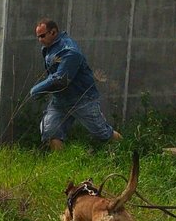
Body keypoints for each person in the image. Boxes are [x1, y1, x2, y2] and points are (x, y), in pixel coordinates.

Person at [30, 18, 122, 152]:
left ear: (53, 32)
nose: (40, 40)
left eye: (42, 36)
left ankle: (127, 150)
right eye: (38, 37)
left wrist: (37, 90)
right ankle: (60, 164)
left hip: (82, 99)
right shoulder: (49, 47)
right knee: (50, 131)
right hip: (60, 100)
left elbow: (61, 78)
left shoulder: (69, 51)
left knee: (102, 133)